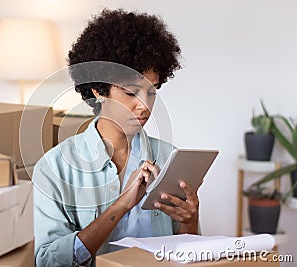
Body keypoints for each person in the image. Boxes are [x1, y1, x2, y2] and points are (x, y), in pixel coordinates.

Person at [33, 9, 200, 267]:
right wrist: (121, 206)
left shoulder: (169, 158)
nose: (144, 106)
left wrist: (189, 221)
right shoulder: (55, 168)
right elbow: (48, 262)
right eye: (131, 92)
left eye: (151, 92)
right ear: (98, 90)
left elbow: (189, 255)